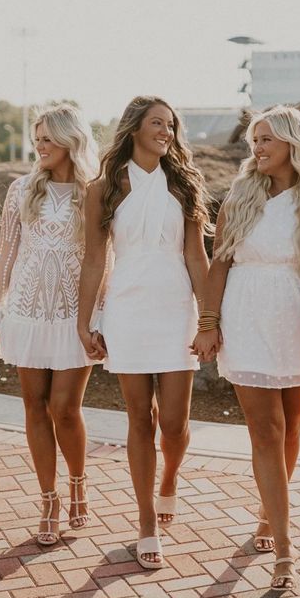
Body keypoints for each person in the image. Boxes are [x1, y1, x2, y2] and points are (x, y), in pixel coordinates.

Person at [191, 106, 300, 591]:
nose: (258, 148)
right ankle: (286, 548)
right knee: (267, 432)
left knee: (292, 428)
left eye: (267, 139)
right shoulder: (239, 196)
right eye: (255, 140)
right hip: (247, 318)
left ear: (294, 143)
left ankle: (270, 514)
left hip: (297, 323)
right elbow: (219, 264)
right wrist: (208, 322)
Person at [78, 95, 210, 569]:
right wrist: (85, 318)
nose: (167, 132)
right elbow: (95, 259)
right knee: (140, 419)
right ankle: (146, 521)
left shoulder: (184, 183)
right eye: (158, 123)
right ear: (134, 127)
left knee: (174, 423)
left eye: (171, 125)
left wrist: (210, 316)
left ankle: (169, 479)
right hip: (128, 310)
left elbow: (197, 256)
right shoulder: (104, 187)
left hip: (175, 308)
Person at [0, 104, 99, 545]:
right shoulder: (20, 190)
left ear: (71, 140)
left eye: (48, 138)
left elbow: (101, 257)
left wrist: (98, 314)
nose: (40, 145)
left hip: (74, 313)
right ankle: (48, 500)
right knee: (34, 406)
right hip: (27, 311)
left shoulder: (94, 192)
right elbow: (7, 252)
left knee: (66, 408)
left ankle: (78, 483)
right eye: (37, 138)